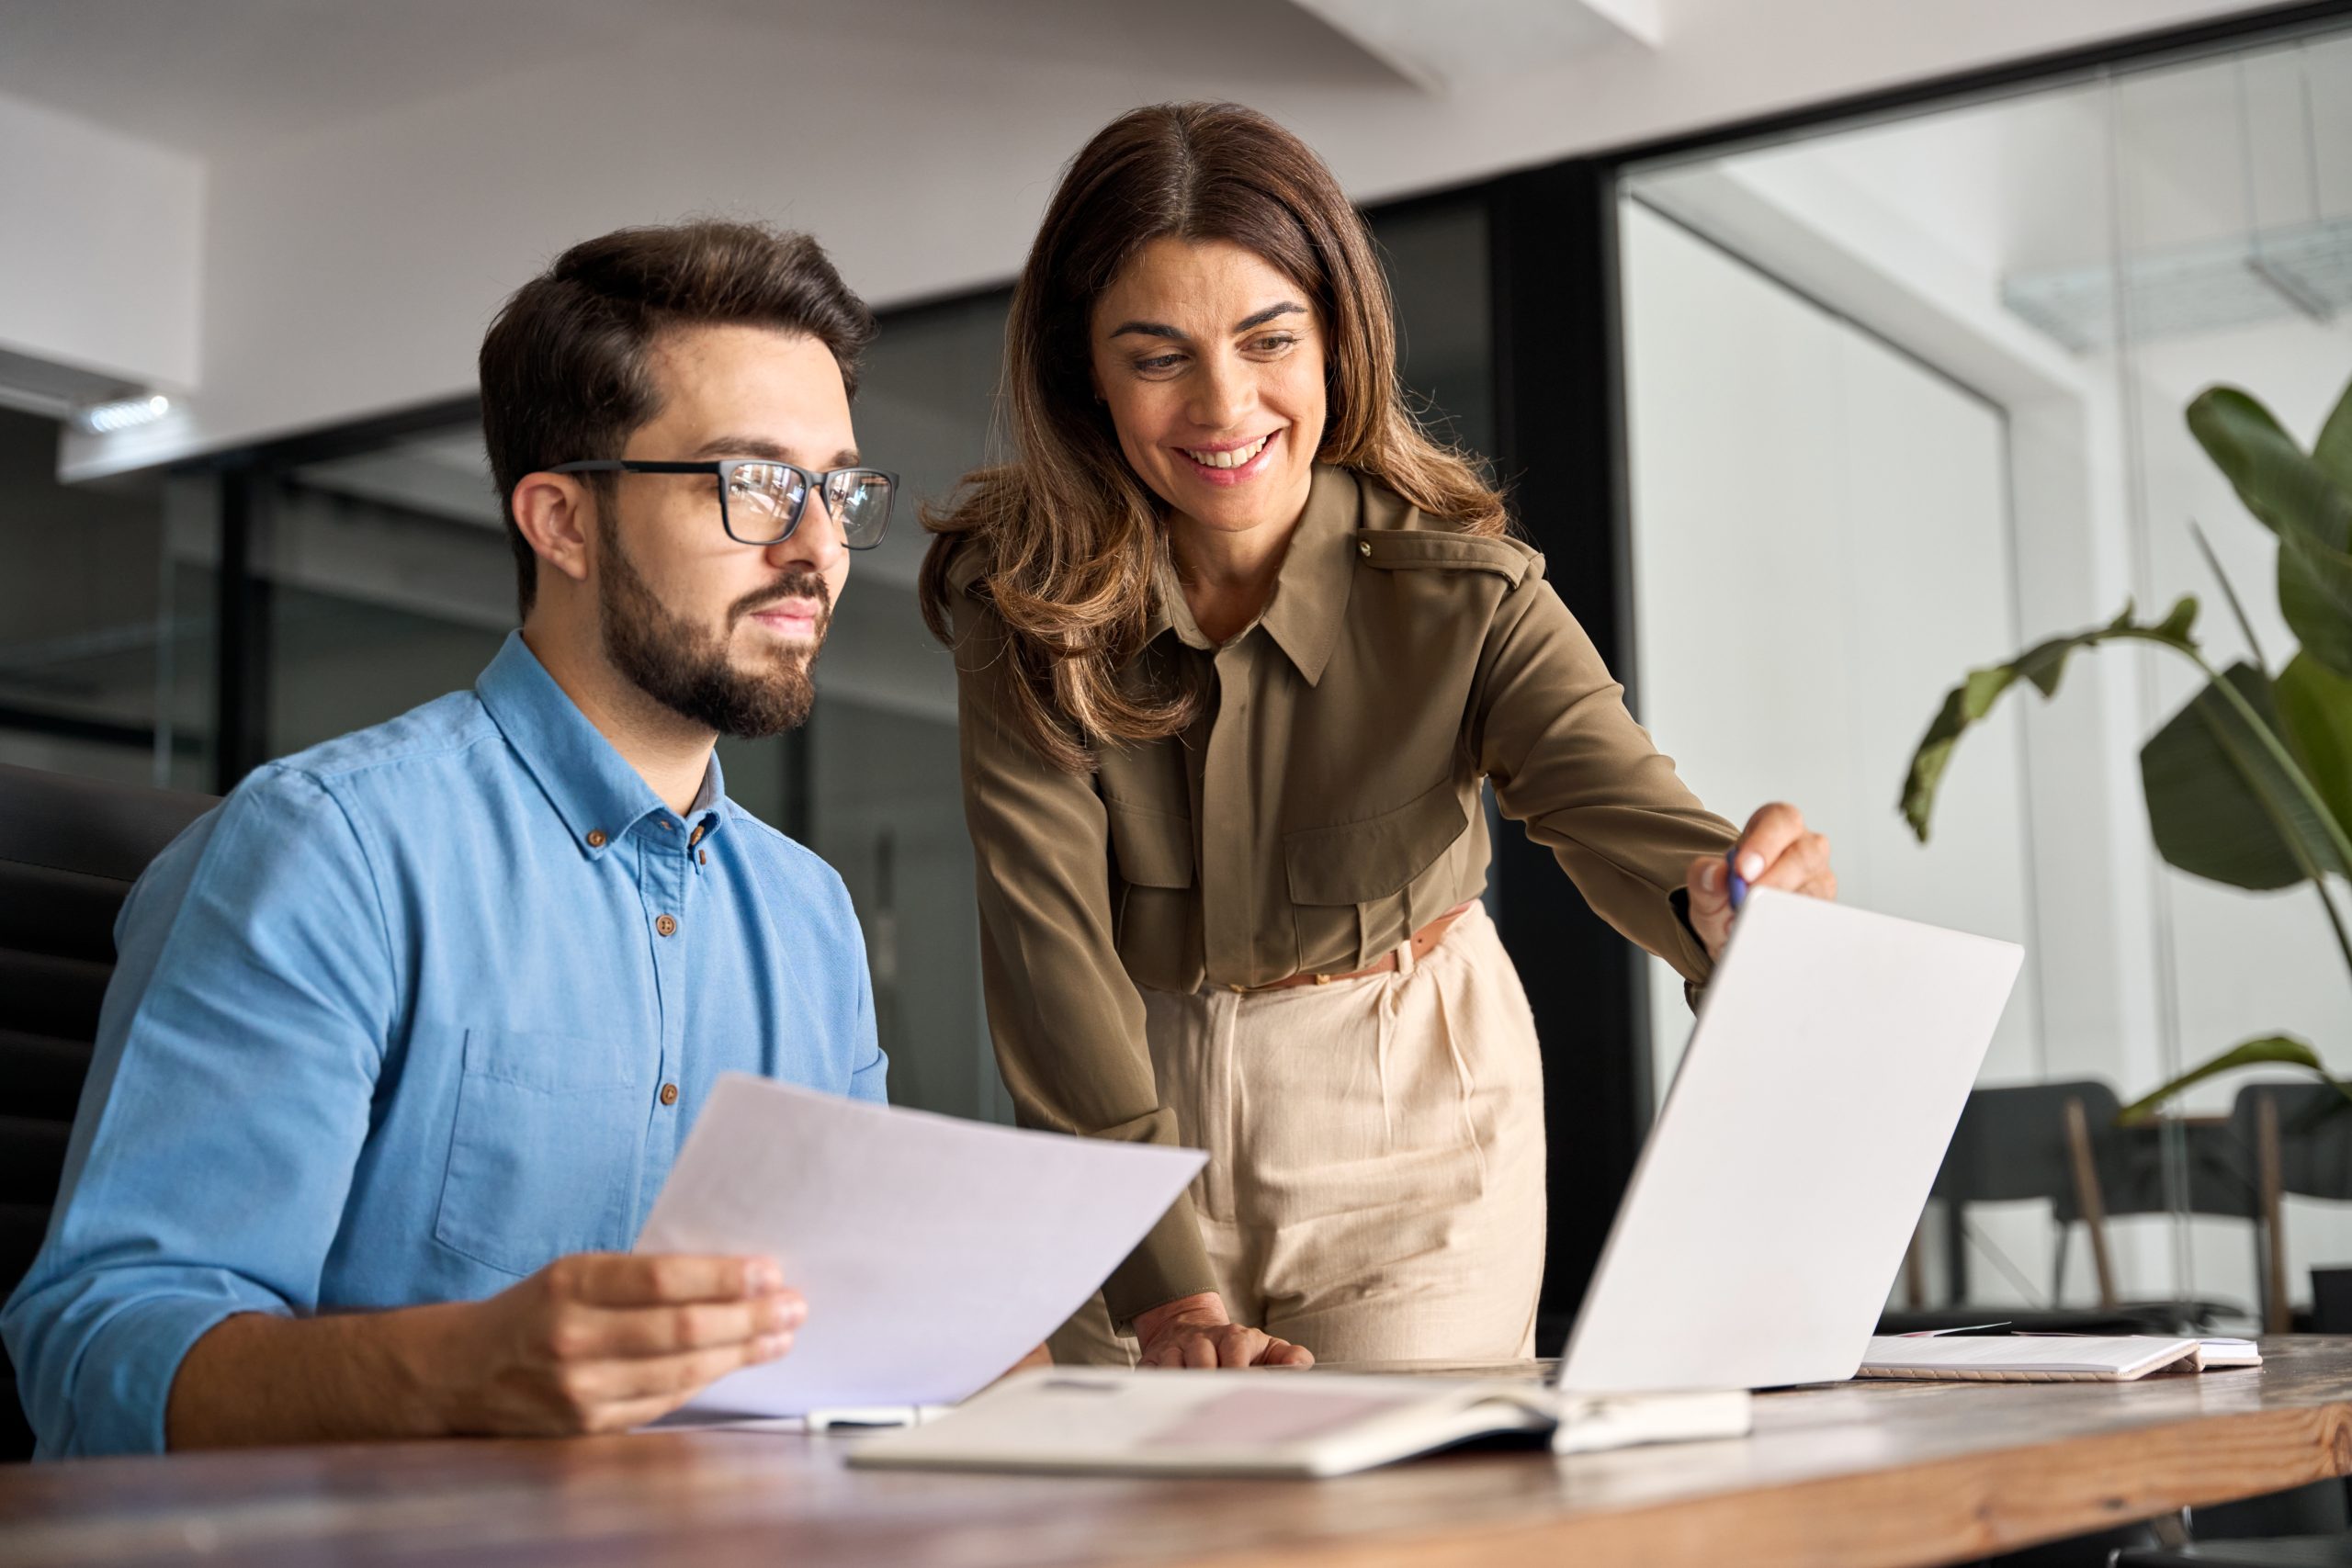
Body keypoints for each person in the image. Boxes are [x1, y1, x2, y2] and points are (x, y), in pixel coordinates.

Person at [920, 103, 1838, 1371]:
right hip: (1118, 1107)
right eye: (1156, 356)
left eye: (1267, 339)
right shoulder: (1017, 598)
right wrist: (1167, 1294)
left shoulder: (1466, 594)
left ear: (1338, 341)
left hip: (1408, 1107)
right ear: (1085, 369)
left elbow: (1627, 816)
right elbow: (1047, 951)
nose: (1223, 403)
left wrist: (1736, 901)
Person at [4, 220, 899, 1457]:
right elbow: (98, 1349)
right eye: (753, 484)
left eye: (839, 489)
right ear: (562, 522)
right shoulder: (324, 853)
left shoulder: (810, 919)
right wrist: (455, 1372)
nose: (818, 549)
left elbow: (851, 1329)